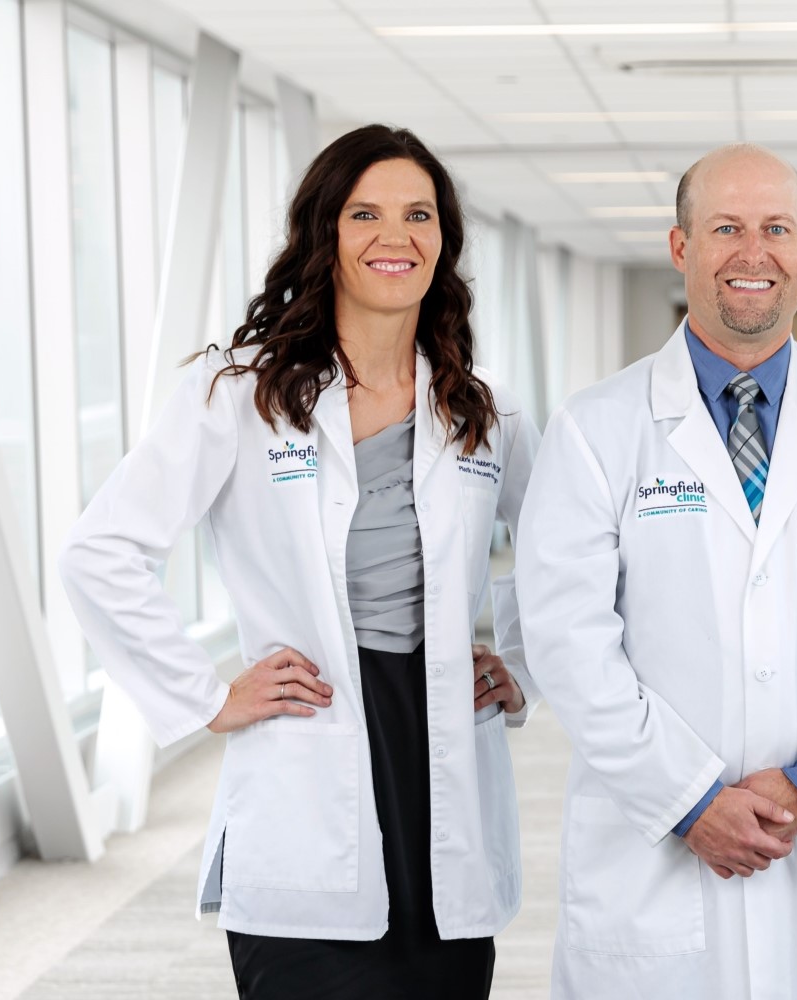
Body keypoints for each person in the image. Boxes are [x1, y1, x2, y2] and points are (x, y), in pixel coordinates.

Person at [59, 125, 539, 999]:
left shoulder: (485, 413)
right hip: (306, 764)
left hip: (444, 772)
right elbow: (102, 552)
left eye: (418, 215)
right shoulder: (242, 394)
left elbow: (562, 556)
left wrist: (520, 662)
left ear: (444, 241)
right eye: (366, 214)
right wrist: (207, 697)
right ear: (326, 234)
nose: (396, 237)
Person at [514, 143, 797, 999]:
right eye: (726, 227)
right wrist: (689, 800)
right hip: (651, 881)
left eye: (775, 229)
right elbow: (568, 642)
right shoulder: (596, 431)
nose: (752, 253)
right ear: (682, 247)